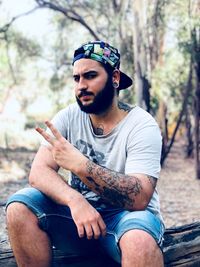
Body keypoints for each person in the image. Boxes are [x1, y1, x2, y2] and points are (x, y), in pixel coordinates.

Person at [6, 40, 165, 267]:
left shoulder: (141, 125)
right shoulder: (69, 117)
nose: (81, 85)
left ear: (115, 78)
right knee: (19, 206)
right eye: (76, 78)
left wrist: (80, 165)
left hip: (127, 221)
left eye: (90, 76)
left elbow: (139, 198)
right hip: (78, 222)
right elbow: (38, 173)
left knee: (138, 240)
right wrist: (75, 200)